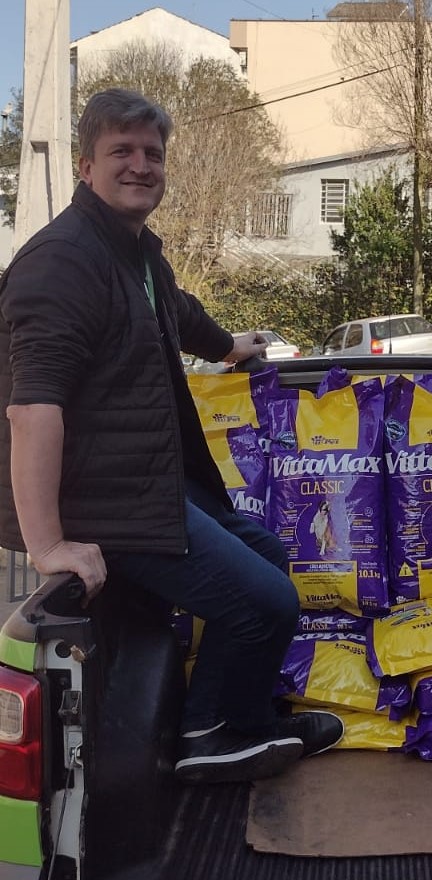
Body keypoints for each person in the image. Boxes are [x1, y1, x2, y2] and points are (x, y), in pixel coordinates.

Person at [0, 88, 343, 785]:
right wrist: (48, 545)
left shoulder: (133, 253)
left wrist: (230, 346)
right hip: (104, 506)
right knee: (267, 602)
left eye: (152, 154)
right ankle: (208, 733)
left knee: (268, 551)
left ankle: (243, 719)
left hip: (143, 484)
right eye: (121, 151)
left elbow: (177, 313)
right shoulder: (63, 261)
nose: (141, 166)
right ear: (85, 165)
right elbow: (32, 408)